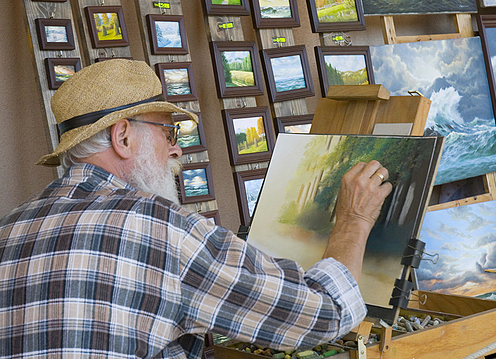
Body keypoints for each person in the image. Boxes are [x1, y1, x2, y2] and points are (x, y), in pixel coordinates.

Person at [0, 59, 392, 359]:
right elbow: (323, 314)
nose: (176, 149)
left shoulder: (9, 228)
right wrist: (353, 221)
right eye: (167, 133)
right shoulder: (158, 226)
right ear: (122, 136)